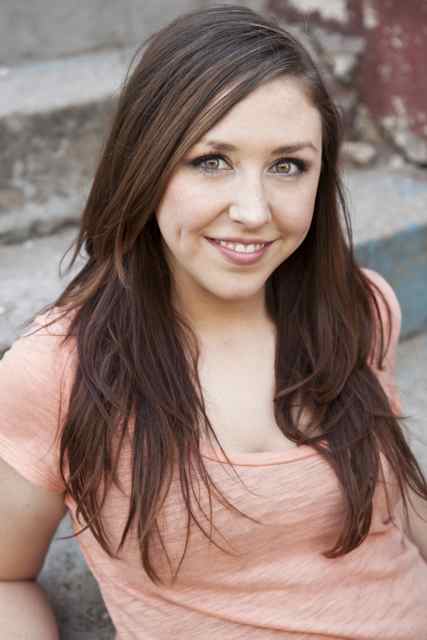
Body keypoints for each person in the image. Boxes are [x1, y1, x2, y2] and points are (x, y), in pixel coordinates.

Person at [0, 5, 426, 639]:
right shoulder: (55, 371)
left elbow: (403, 506)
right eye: (211, 161)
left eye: (288, 165)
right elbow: (5, 576)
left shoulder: (360, 308)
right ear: (145, 165)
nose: (253, 211)